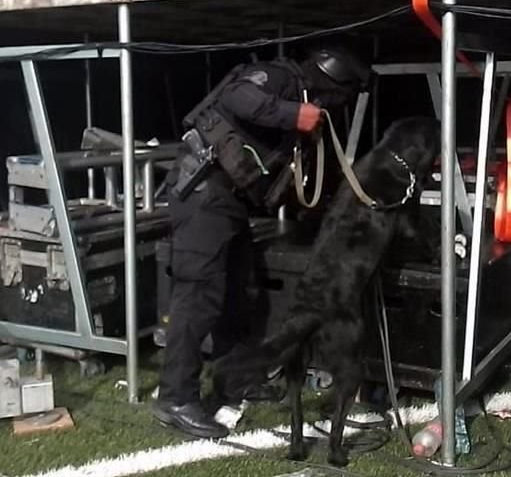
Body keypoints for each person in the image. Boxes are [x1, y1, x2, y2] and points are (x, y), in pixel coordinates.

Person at [152, 45, 371, 438]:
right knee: (198, 299)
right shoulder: (280, 77)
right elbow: (237, 96)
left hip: (229, 204)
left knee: (238, 295)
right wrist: (293, 115)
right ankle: (176, 398)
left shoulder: (302, 94)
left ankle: (234, 382)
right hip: (203, 196)